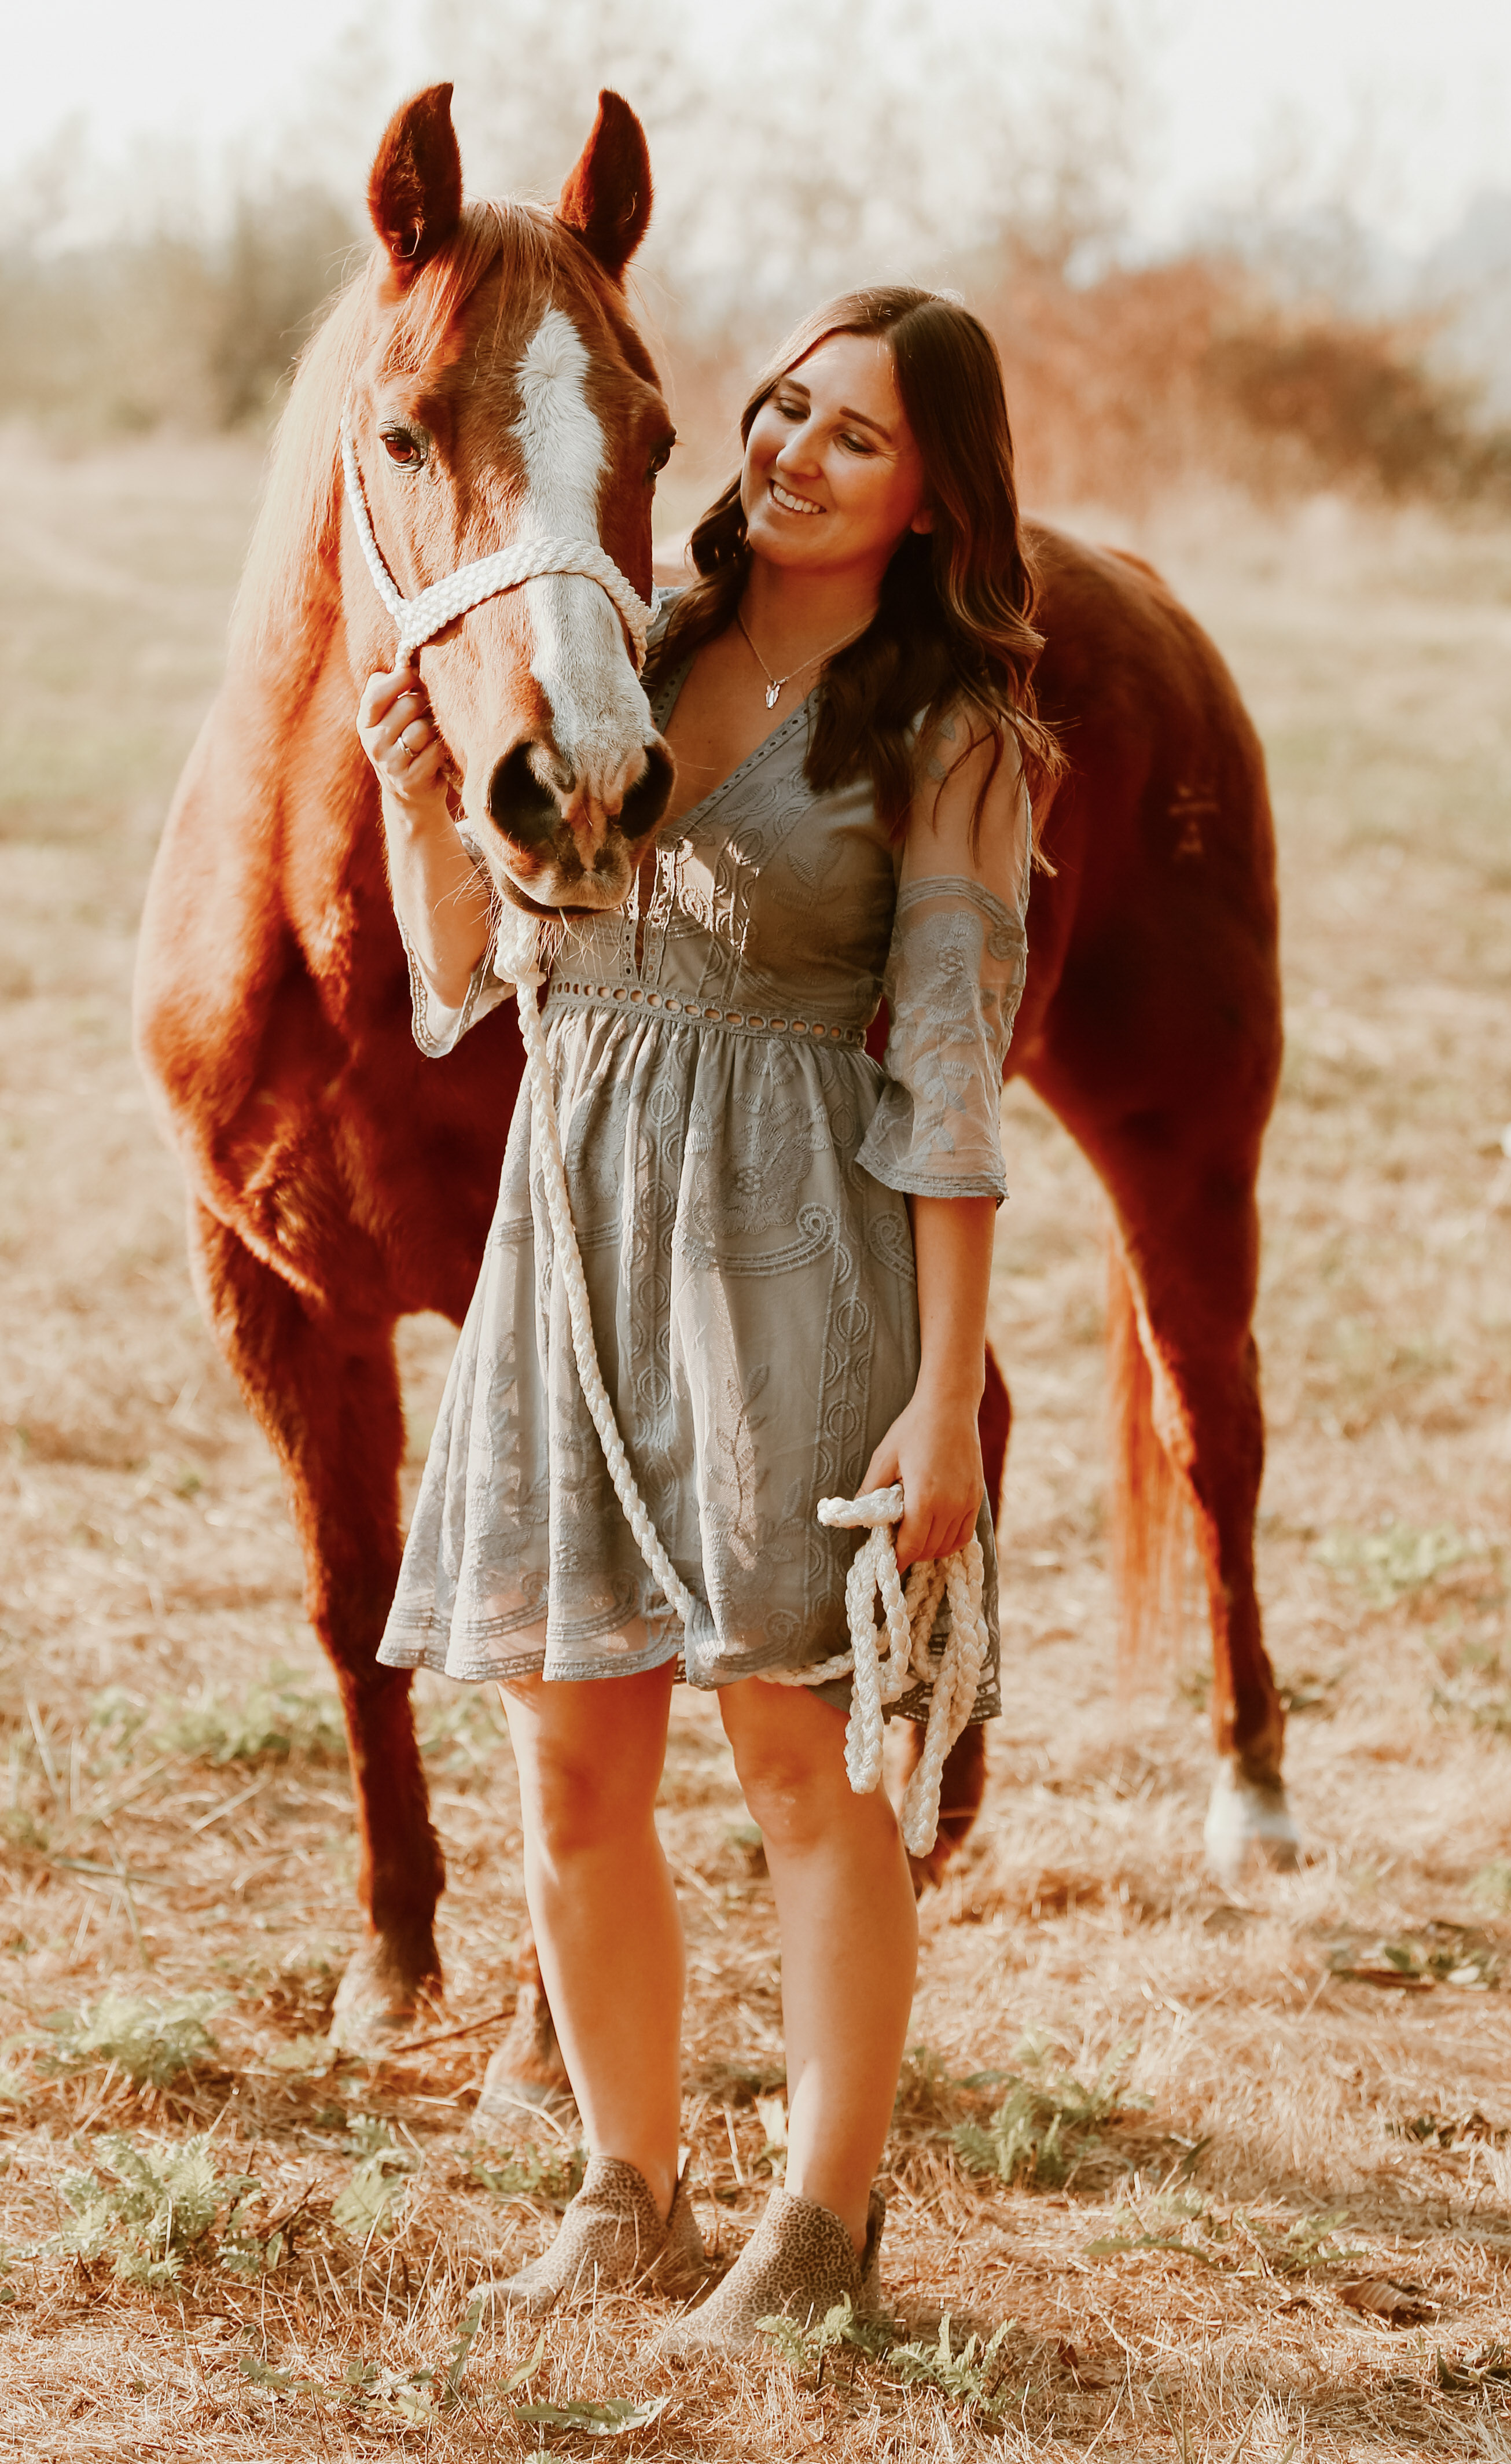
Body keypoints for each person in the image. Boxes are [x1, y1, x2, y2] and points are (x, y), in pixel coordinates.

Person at [359, 285, 1058, 2347]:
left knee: (798, 1768)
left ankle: (823, 2235)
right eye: (782, 409)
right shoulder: (631, 653)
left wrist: (945, 1403)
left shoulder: (952, 738)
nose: (793, 452)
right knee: (569, 1758)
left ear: (938, 502)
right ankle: (625, 2184)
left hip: (788, 1253)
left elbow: (948, 1087)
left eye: (858, 436)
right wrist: (429, 803)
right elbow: (470, 986)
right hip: (567, 1231)